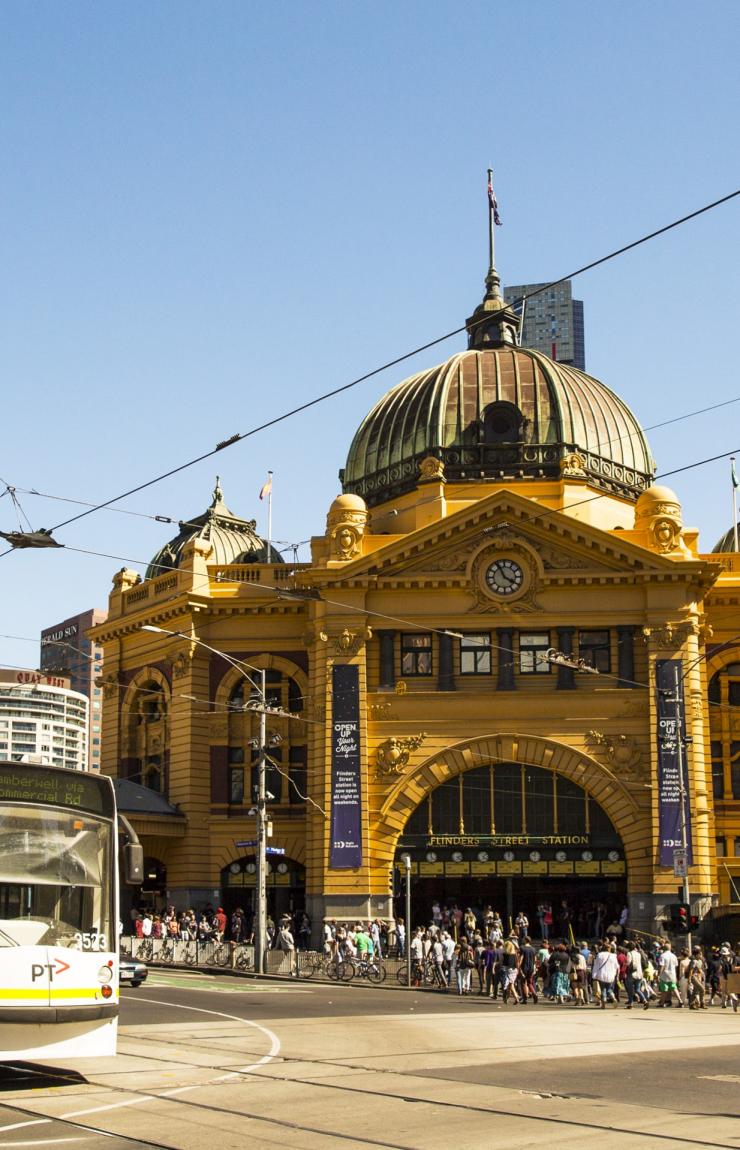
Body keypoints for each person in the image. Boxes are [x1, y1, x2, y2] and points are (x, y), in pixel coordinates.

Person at [591, 943, 619, 1008]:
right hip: (611, 975)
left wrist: (594, 975)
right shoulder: (613, 956)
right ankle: (613, 997)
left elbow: (596, 965)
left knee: (603, 989)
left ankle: (603, 1002)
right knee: (609, 989)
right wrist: (616, 974)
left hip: (601, 974)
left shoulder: (599, 955)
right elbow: (617, 966)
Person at [658, 943, 683, 1008]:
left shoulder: (662, 956)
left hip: (664, 975)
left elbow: (662, 966)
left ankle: (662, 1003)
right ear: (670, 948)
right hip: (672, 974)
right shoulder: (674, 956)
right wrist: (675, 975)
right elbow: (676, 966)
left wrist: (659, 974)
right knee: (674, 988)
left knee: (664, 989)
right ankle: (680, 1001)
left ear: (664, 948)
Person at [499, 940, 520, 1004]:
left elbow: (501, 961)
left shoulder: (504, 953)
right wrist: (518, 970)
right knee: (511, 984)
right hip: (514, 970)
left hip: (507, 969)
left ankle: (514, 997)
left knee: (508, 985)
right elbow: (517, 962)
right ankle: (508, 998)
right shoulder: (515, 953)